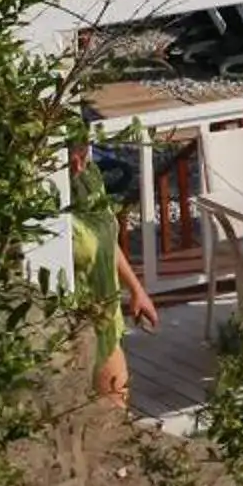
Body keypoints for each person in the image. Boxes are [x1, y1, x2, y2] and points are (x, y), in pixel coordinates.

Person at [70, 135, 159, 408]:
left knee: (117, 400)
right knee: (109, 411)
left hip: (108, 317)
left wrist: (137, 290)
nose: (80, 164)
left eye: (85, 156)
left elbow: (107, 239)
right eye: (77, 158)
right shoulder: (50, 208)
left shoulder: (89, 179)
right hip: (78, 324)